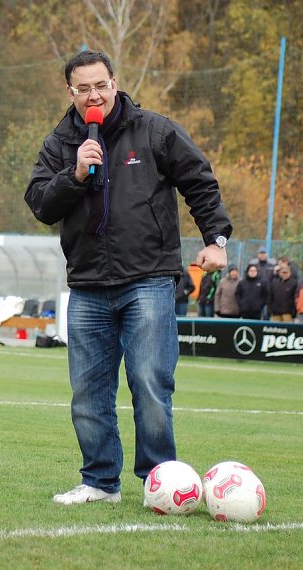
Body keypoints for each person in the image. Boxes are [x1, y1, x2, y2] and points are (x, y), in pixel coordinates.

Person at [24, 50, 231, 506]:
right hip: (87, 286)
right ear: (70, 92)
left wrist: (216, 238)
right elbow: (40, 203)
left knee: (150, 383)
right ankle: (100, 483)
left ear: (114, 83)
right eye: (84, 88)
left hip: (149, 279)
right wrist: (74, 173)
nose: (94, 95)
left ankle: (162, 485)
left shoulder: (154, 130)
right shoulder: (59, 143)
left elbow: (199, 180)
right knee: (88, 392)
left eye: (101, 85)